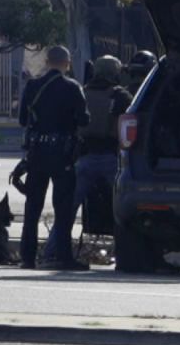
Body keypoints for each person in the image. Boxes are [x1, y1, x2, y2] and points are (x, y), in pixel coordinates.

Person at [45, 56, 132, 270]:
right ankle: (126, 256)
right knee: (123, 211)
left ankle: (51, 252)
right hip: (112, 159)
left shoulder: (82, 91)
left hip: (84, 158)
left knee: (67, 210)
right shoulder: (120, 95)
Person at [17, 45, 88, 270]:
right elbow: (84, 120)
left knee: (33, 207)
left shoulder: (33, 85)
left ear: (47, 62)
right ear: (67, 64)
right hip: (62, 154)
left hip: (37, 153)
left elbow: (22, 119)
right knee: (63, 208)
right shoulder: (72, 87)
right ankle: (63, 257)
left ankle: (27, 257)